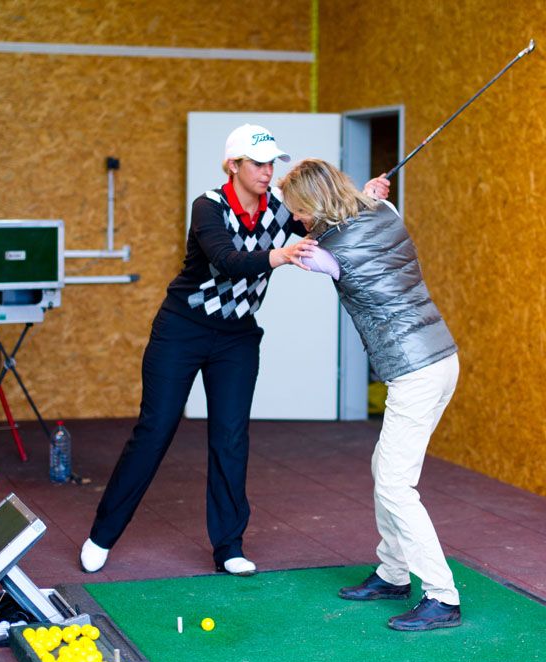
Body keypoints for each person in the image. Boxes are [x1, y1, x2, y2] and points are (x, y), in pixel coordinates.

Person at [80, 126, 389, 577]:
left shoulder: (279, 208)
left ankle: (228, 547)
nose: (267, 172)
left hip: (236, 338)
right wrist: (279, 256)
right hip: (182, 329)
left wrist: (366, 199)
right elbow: (226, 260)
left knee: (230, 437)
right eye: (258, 163)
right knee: (155, 430)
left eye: (271, 164)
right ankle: (102, 535)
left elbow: (326, 223)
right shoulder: (208, 206)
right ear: (233, 165)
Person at [278, 158, 461, 631]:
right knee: (386, 468)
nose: (296, 217)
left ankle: (442, 596)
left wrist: (284, 250)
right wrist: (368, 195)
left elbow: (301, 252)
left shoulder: (322, 252)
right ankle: (393, 574)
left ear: (315, 204)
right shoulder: (385, 211)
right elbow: (365, 212)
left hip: (414, 370)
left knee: (396, 485)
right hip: (441, 358)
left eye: (298, 209)